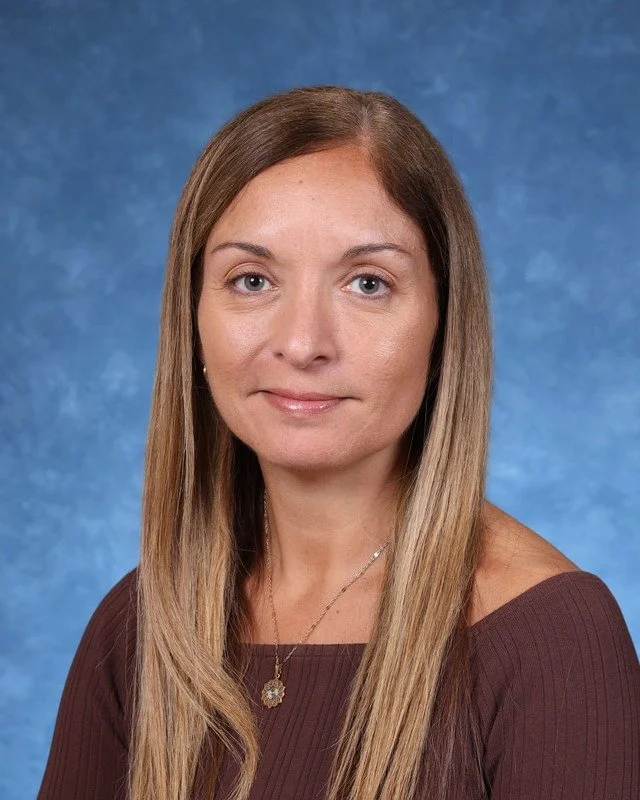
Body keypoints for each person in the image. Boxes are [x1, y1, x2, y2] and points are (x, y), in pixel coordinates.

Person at [36, 85, 640, 800]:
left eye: (367, 283)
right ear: (191, 316)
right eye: (252, 279)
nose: (302, 343)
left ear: (444, 325)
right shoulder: (136, 630)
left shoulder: (551, 639)